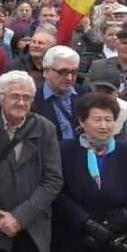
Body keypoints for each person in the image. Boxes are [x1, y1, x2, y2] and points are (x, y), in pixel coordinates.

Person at [0, 71, 63, 252]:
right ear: (0, 98)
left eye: (27, 98)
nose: (21, 102)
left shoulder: (45, 128)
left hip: (32, 227)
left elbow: (53, 180)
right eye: (15, 96)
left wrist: (20, 217)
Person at [53, 93, 127, 252]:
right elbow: (56, 191)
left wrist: (116, 221)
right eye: (97, 120)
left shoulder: (124, 151)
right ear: (82, 121)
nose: (104, 126)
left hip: (117, 236)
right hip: (72, 234)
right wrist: (86, 223)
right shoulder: (63, 150)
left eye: (108, 120)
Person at [31, 45, 91, 141]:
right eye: (62, 72)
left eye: (74, 72)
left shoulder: (85, 94)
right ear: (46, 71)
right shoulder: (32, 98)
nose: (69, 78)